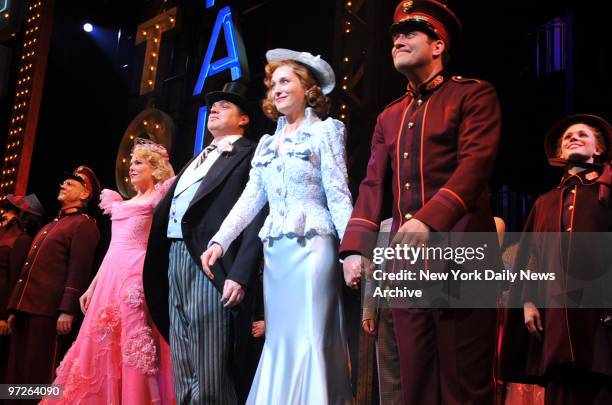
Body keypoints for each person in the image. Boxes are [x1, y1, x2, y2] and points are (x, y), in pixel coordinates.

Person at [340, 1, 502, 404]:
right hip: (406, 264)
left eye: (410, 33)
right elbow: (373, 183)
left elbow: (475, 165)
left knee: (464, 381)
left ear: (438, 45)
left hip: (463, 254)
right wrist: (354, 249)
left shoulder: (473, 95)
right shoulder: (390, 116)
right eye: (395, 34)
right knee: (414, 380)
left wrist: (430, 219)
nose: (398, 40)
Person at [202, 49, 354, 404]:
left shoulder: (325, 132)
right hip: (276, 252)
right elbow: (251, 199)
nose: (277, 89)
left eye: (286, 81)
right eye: (273, 84)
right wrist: (220, 241)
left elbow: (338, 193)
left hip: (314, 244)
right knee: (281, 338)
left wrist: (351, 250)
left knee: (312, 334)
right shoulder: (268, 144)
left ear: (308, 88)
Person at [143, 82, 267, 404]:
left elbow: (256, 217)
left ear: (244, 119)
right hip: (174, 255)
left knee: (210, 363)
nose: (215, 108)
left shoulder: (251, 153)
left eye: (225, 105)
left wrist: (239, 272)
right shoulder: (198, 158)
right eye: (213, 105)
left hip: (210, 260)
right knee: (183, 355)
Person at [39, 140, 176, 404]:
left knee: (133, 339)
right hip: (110, 277)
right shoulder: (120, 202)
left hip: (136, 276)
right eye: (132, 162)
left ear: (154, 167)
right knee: (100, 340)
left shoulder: (158, 198)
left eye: (139, 162)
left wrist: (163, 160)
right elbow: (112, 250)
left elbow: (174, 184)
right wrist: (91, 286)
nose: (132, 167)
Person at [501, 114, 612, 404]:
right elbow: (531, 256)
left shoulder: (607, 193)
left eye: (582, 134)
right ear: (560, 153)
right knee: (560, 388)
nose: (573, 137)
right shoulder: (545, 201)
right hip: (555, 320)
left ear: (598, 150)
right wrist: (527, 300)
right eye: (567, 137)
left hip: (599, 319)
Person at [6, 166, 101, 394]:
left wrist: (68, 309)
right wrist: (14, 307)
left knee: (38, 378)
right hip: (26, 308)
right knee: (14, 378)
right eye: (63, 183)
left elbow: (79, 269)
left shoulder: (84, 224)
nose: (63, 186)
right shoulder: (50, 226)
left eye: (71, 184)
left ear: (85, 194)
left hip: (49, 312)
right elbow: (26, 271)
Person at [0, 194, 44, 384]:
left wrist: (4, 314)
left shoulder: (22, 239)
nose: (6, 216)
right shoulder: (5, 235)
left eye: (11, 212)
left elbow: (15, 279)